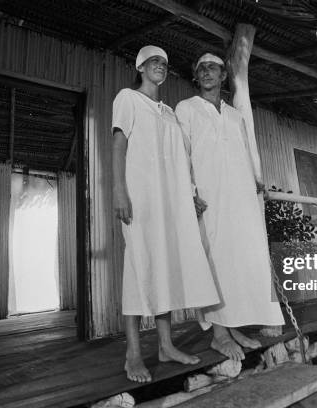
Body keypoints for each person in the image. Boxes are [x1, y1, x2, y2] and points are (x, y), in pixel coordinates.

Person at [111, 45, 220, 383]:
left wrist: (189, 196)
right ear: (141, 66)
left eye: (164, 64)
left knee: (164, 267)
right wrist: (118, 190)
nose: (160, 67)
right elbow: (119, 145)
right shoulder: (127, 99)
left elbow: (180, 162)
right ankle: (132, 353)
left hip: (169, 203)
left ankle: (165, 346)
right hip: (139, 198)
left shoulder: (170, 112)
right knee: (137, 266)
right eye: (154, 62)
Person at [175, 52, 284, 362]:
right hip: (208, 196)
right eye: (201, 68)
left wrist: (255, 181)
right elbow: (181, 153)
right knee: (213, 259)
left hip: (241, 197)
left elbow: (246, 154)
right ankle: (219, 335)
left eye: (213, 68)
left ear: (223, 76)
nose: (207, 72)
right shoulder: (186, 109)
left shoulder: (235, 115)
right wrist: (188, 192)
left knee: (245, 257)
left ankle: (232, 325)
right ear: (196, 77)